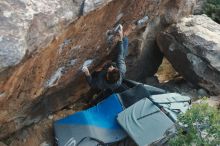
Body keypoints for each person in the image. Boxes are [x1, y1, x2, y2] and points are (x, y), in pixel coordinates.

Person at [82, 24, 129, 92]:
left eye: (111, 69)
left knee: (95, 73)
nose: (112, 67)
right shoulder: (121, 69)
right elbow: (120, 54)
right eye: (113, 68)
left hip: (102, 74)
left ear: (107, 75)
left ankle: (100, 70)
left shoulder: (101, 83)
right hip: (116, 63)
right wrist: (120, 38)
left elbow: (91, 83)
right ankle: (122, 37)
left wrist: (87, 72)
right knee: (125, 40)